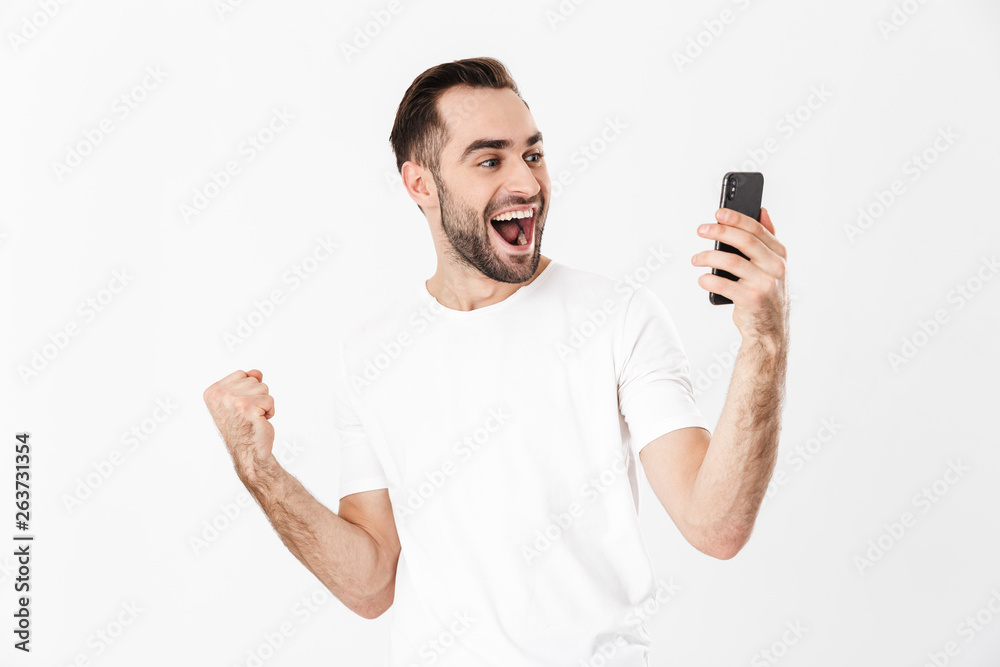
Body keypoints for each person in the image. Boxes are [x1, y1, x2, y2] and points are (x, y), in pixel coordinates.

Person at [203, 56, 790, 666]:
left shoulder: (620, 317)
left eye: (533, 155)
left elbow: (714, 526)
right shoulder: (369, 357)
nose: (527, 184)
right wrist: (258, 469)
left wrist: (764, 344)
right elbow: (370, 584)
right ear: (420, 185)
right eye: (490, 160)